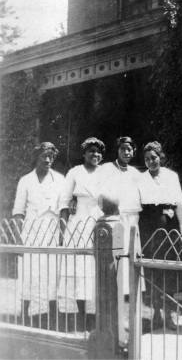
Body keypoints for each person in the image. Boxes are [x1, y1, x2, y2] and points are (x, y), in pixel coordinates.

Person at [12, 142, 64, 326]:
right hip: (31, 230)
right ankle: (25, 313)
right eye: (44, 156)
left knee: (52, 271)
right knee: (29, 271)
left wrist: (61, 234)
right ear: (36, 157)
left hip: (52, 228)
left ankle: (52, 313)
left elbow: (63, 208)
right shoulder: (26, 180)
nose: (48, 160)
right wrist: (19, 238)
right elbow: (18, 211)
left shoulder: (60, 179)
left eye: (51, 156)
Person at [58, 137, 105, 330]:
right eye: (91, 151)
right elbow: (64, 201)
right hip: (78, 224)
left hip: (100, 219)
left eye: (99, 151)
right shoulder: (74, 172)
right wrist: (62, 232)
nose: (95, 154)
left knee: (98, 267)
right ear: (84, 153)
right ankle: (83, 314)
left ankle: (98, 316)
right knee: (79, 267)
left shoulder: (107, 172)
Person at [138, 141, 182, 330]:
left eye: (154, 157)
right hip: (148, 225)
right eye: (147, 159)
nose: (151, 161)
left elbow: (180, 201)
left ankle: (169, 315)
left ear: (161, 157)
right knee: (152, 269)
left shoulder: (171, 176)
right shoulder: (140, 178)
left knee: (168, 268)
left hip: (168, 224)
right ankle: (156, 314)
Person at [99, 136, 143, 346]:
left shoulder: (136, 173)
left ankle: (130, 321)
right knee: (116, 271)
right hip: (115, 222)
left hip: (133, 223)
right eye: (123, 149)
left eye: (130, 149)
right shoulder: (107, 169)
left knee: (132, 269)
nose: (127, 152)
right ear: (117, 150)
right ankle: (115, 323)